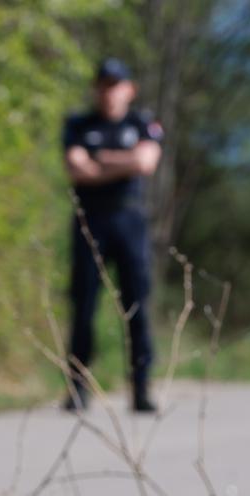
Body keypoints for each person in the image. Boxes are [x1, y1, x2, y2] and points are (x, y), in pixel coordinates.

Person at [61, 58, 164, 413]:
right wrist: (124, 162)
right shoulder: (79, 124)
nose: (109, 92)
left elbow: (145, 163)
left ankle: (141, 388)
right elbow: (77, 169)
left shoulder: (141, 123)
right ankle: (78, 388)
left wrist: (101, 159)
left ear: (129, 89)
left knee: (137, 306)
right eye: (103, 85)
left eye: (115, 85)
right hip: (90, 221)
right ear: (96, 89)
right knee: (84, 306)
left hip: (129, 220)